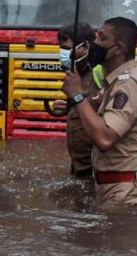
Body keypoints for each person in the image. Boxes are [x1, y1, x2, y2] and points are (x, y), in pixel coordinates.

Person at [61, 17, 137, 206]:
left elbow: (105, 138)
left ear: (118, 49)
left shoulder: (128, 84)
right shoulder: (117, 81)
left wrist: (78, 96)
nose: (95, 44)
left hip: (127, 192)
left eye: (102, 39)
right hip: (119, 188)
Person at [54, 22, 99, 179]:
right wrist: (67, 106)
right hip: (79, 166)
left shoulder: (99, 73)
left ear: (85, 47)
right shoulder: (74, 74)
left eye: (67, 49)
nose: (62, 54)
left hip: (97, 168)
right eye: (61, 49)